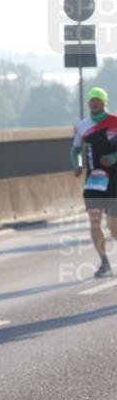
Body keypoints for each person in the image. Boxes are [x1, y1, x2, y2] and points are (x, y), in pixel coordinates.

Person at [70, 86, 117, 278]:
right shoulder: (83, 125)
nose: (94, 102)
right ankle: (104, 263)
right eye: (91, 99)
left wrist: (113, 158)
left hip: (114, 178)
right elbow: (75, 150)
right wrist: (77, 165)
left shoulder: (114, 121)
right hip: (94, 179)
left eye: (98, 99)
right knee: (94, 220)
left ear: (104, 101)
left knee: (114, 227)